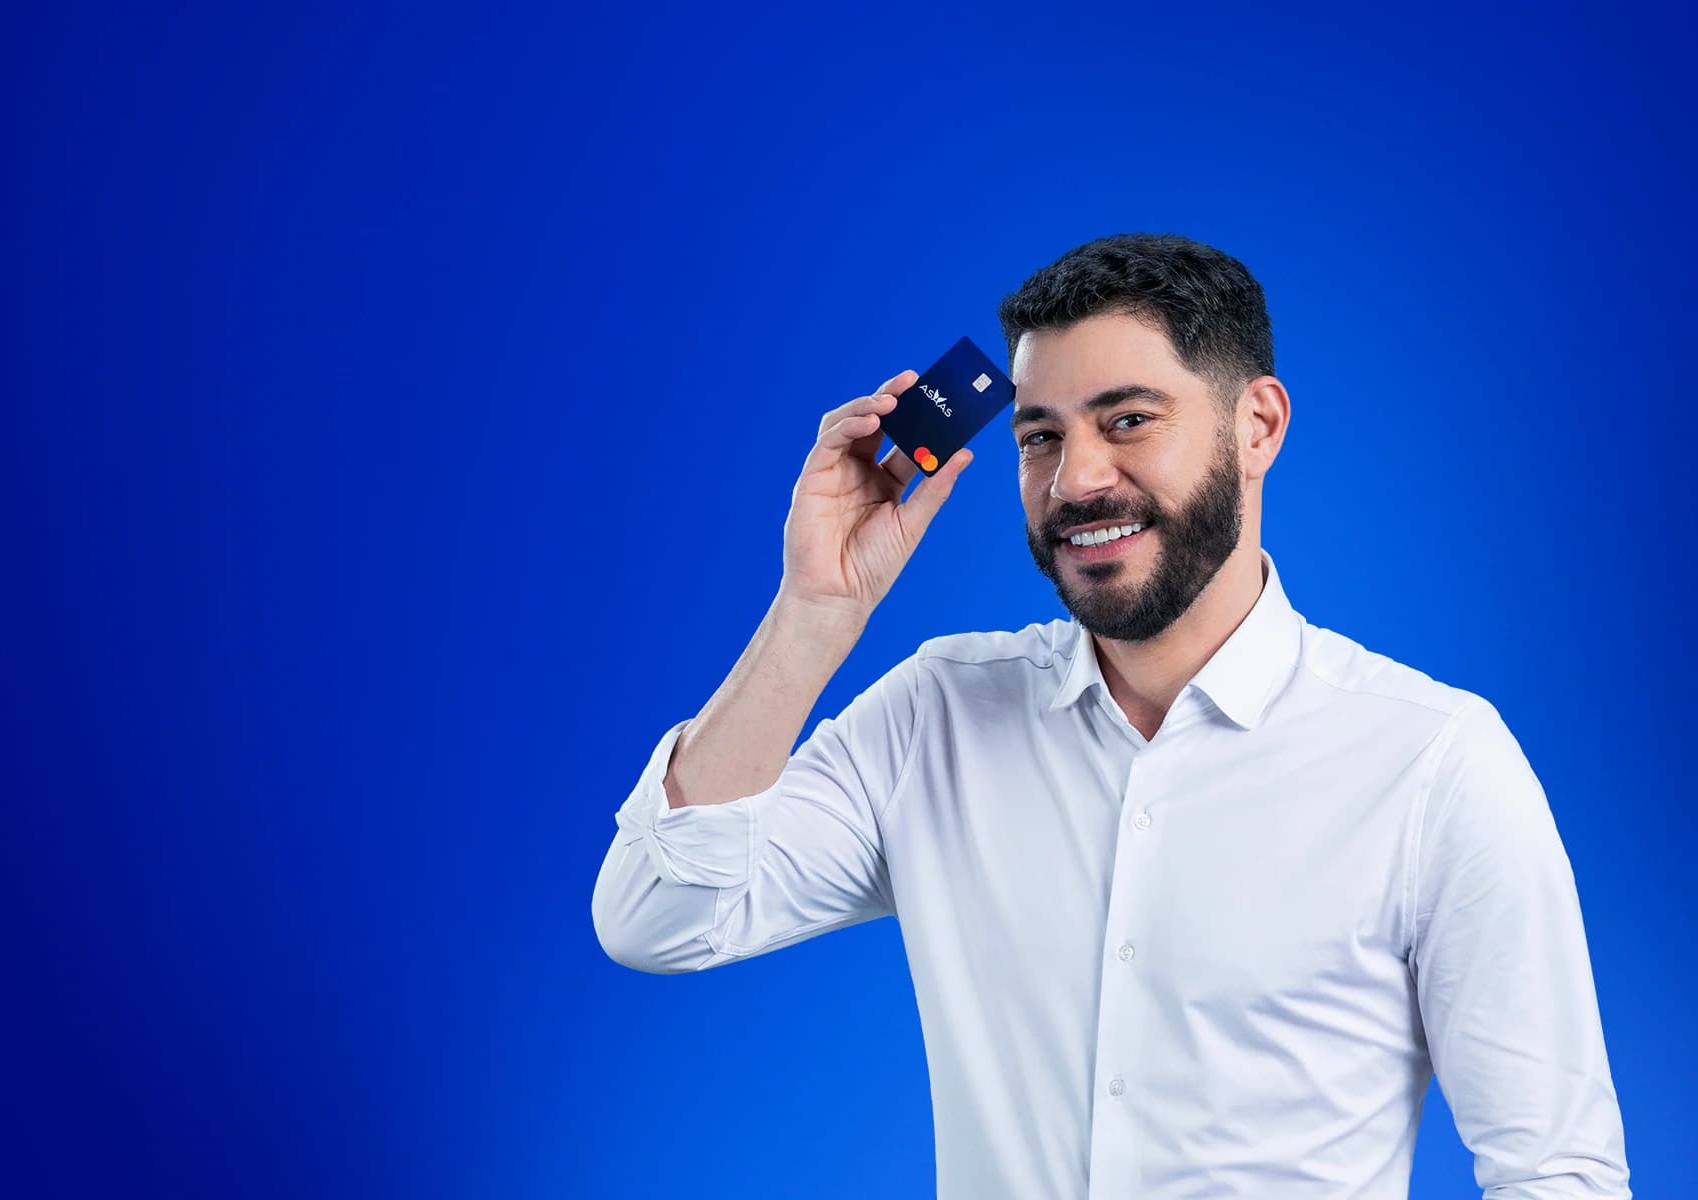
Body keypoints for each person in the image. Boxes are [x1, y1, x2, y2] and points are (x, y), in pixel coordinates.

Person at [590, 232, 1629, 1198]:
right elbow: (657, 917)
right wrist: (815, 612)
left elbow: (1558, 1171)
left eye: (1129, 420)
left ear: (1256, 425)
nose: (1078, 479)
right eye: (1040, 436)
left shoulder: (1434, 762)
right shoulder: (937, 718)